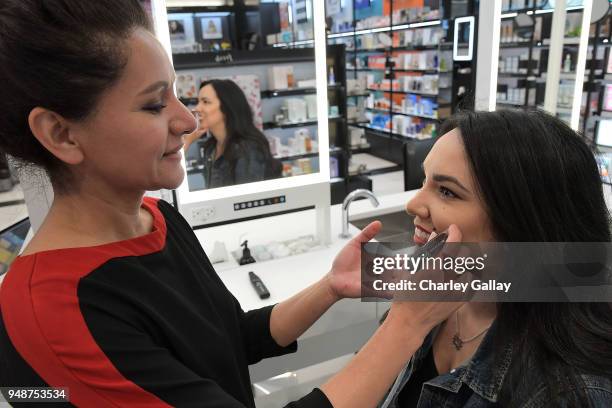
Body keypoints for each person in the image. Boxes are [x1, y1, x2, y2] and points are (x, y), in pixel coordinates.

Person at [0, 1, 463, 407]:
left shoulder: (159, 220)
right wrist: (406, 324)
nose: (187, 121)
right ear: (61, 134)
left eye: (177, 95)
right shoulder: (52, 311)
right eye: (153, 105)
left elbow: (231, 341)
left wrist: (330, 287)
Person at [380, 109, 612, 407]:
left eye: (447, 192)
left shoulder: (567, 393)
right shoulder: (431, 292)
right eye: (425, 181)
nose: (413, 205)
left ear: (523, 221)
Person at [184, 79, 282, 188]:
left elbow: (247, 199)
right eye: (198, 102)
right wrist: (187, 140)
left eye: (205, 102)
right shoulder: (210, 148)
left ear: (227, 107)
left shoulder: (247, 149)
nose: (197, 108)